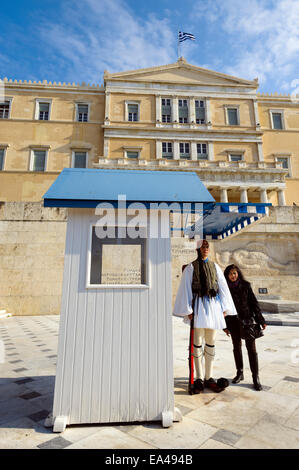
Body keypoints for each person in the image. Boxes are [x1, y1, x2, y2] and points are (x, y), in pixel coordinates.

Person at [173, 240, 237, 394]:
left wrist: (225, 308)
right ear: (197, 249)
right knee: (197, 342)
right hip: (199, 307)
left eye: (207, 247)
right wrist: (188, 309)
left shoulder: (215, 267)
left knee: (211, 342)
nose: (206, 249)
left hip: (214, 307)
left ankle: (209, 376)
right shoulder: (190, 268)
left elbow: (222, 287)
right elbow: (185, 288)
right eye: (203, 247)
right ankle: (199, 377)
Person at [224, 264, 267, 391]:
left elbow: (254, 304)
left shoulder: (246, 286)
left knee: (252, 350)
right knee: (236, 347)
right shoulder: (225, 289)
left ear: (238, 273)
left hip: (247, 321)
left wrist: (261, 320)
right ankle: (240, 372)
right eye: (231, 273)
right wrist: (224, 326)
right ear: (227, 275)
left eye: (235, 273)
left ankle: (255, 377)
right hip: (232, 322)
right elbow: (223, 309)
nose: (233, 275)